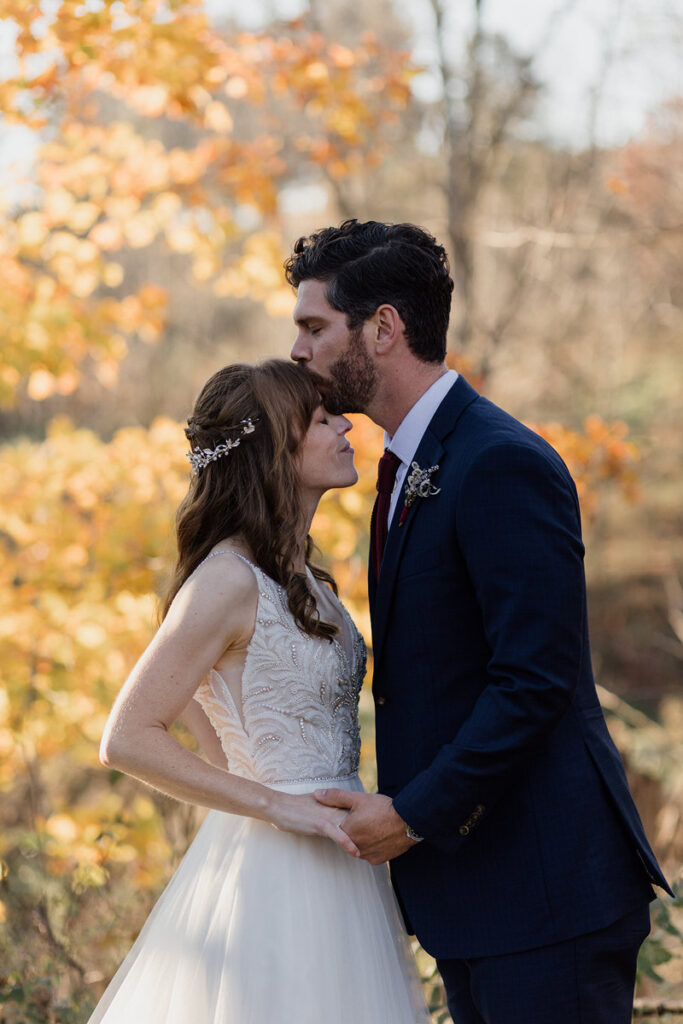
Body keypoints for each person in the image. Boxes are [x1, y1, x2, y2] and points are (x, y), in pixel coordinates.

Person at [287, 219, 673, 1024]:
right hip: (473, 900)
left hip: (545, 898)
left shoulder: (499, 461)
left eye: (315, 326)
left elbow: (532, 679)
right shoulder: (402, 470)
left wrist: (413, 814)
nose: (298, 350)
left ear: (383, 328)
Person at [88, 359, 430, 1023]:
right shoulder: (226, 580)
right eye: (322, 419)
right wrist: (277, 805)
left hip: (342, 860)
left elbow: (221, 735)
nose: (346, 428)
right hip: (276, 873)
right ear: (276, 449)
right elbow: (127, 737)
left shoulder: (310, 583)